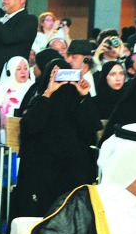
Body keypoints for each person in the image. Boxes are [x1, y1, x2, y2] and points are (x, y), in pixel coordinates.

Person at [10, 61, 101, 218]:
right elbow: (30, 126)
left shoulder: (77, 97)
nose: (63, 82)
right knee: (38, 175)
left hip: (72, 158)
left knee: (79, 174)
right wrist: (48, 92)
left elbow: (92, 126)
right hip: (42, 158)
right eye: (58, 76)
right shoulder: (40, 95)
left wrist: (84, 95)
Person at [0, 56, 33, 124]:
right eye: (18, 69)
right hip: (4, 129)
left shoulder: (33, 87)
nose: (23, 72)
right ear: (11, 71)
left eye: (26, 68)